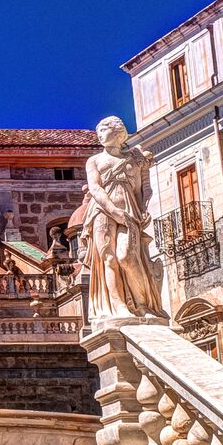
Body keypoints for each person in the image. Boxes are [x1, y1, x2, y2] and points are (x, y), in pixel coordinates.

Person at [79, 116, 164, 327]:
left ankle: (143, 305)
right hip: (101, 211)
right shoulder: (95, 161)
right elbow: (95, 188)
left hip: (130, 212)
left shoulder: (135, 158)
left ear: (119, 133)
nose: (99, 134)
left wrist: (143, 207)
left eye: (104, 130)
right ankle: (119, 307)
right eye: (98, 131)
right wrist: (113, 210)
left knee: (127, 256)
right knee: (109, 259)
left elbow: (144, 188)